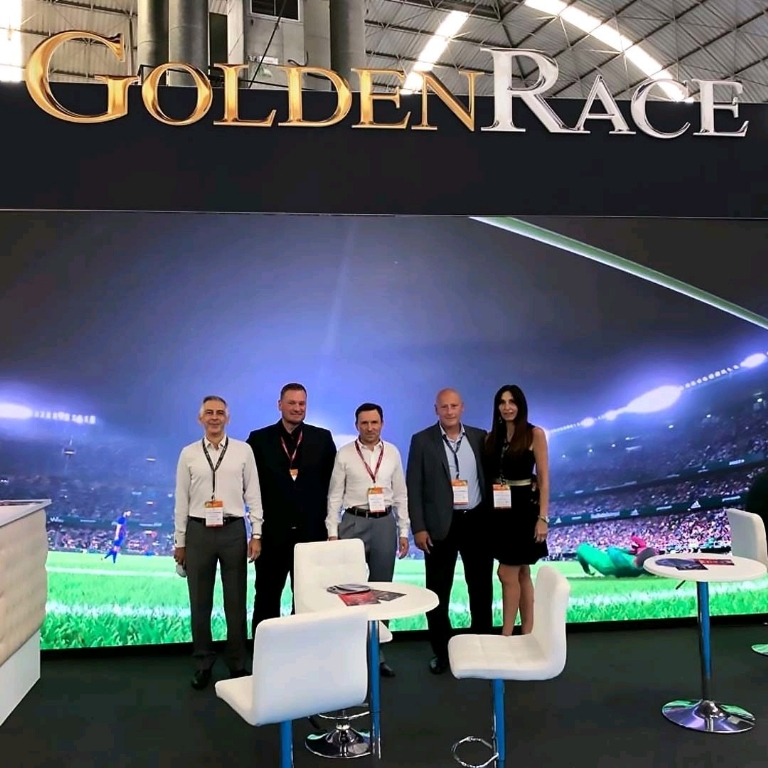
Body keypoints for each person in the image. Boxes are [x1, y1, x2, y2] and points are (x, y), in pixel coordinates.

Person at [173, 395, 263, 690]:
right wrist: (180, 541)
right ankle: (203, 663)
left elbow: (253, 494)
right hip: (198, 530)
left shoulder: (243, 451)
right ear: (200, 418)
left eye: (220, 413)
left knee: (236, 601)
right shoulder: (188, 453)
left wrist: (257, 533)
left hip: (233, 529)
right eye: (209, 413)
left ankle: (237, 662)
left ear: (227, 418)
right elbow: (181, 500)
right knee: (200, 601)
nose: (214, 417)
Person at [406, 388, 494, 674]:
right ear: (436, 410)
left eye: (454, 406)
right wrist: (419, 527)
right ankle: (442, 653)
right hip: (439, 526)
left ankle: (482, 647)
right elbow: (414, 487)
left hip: (477, 522)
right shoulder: (422, 440)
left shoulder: (480, 437)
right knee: (437, 592)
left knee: (481, 589)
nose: (449, 411)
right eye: (444, 406)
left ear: (462, 407)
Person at [326, 402, 410, 678]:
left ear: (382, 424)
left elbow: (401, 494)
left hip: (384, 522)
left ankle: (377, 654)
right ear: (357, 425)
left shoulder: (392, 452)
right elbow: (335, 496)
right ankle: (348, 653)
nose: (370, 428)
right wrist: (332, 532)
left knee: (382, 589)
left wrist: (403, 531)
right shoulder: (345, 454)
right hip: (353, 521)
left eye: (374, 422)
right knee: (349, 591)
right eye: (364, 423)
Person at [246, 383, 337, 635]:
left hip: (312, 534)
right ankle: (264, 651)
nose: (297, 408)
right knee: (266, 597)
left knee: (309, 599)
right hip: (272, 535)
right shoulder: (258, 440)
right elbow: (248, 485)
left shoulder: (322, 438)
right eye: (292, 403)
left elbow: (334, 486)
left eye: (302, 403)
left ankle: (305, 649)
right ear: (280, 405)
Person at [482, 384, 549, 636]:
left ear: (520, 405)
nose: (507, 407)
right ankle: (528, 633)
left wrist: (543, 517)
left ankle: (507, 635)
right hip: (499, 511)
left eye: (512, 402)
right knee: (521, 573)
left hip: (523, 511)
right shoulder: (492, 437)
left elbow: (544, 479)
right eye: (502, 402)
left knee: (505, 573)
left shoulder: (535, 434)